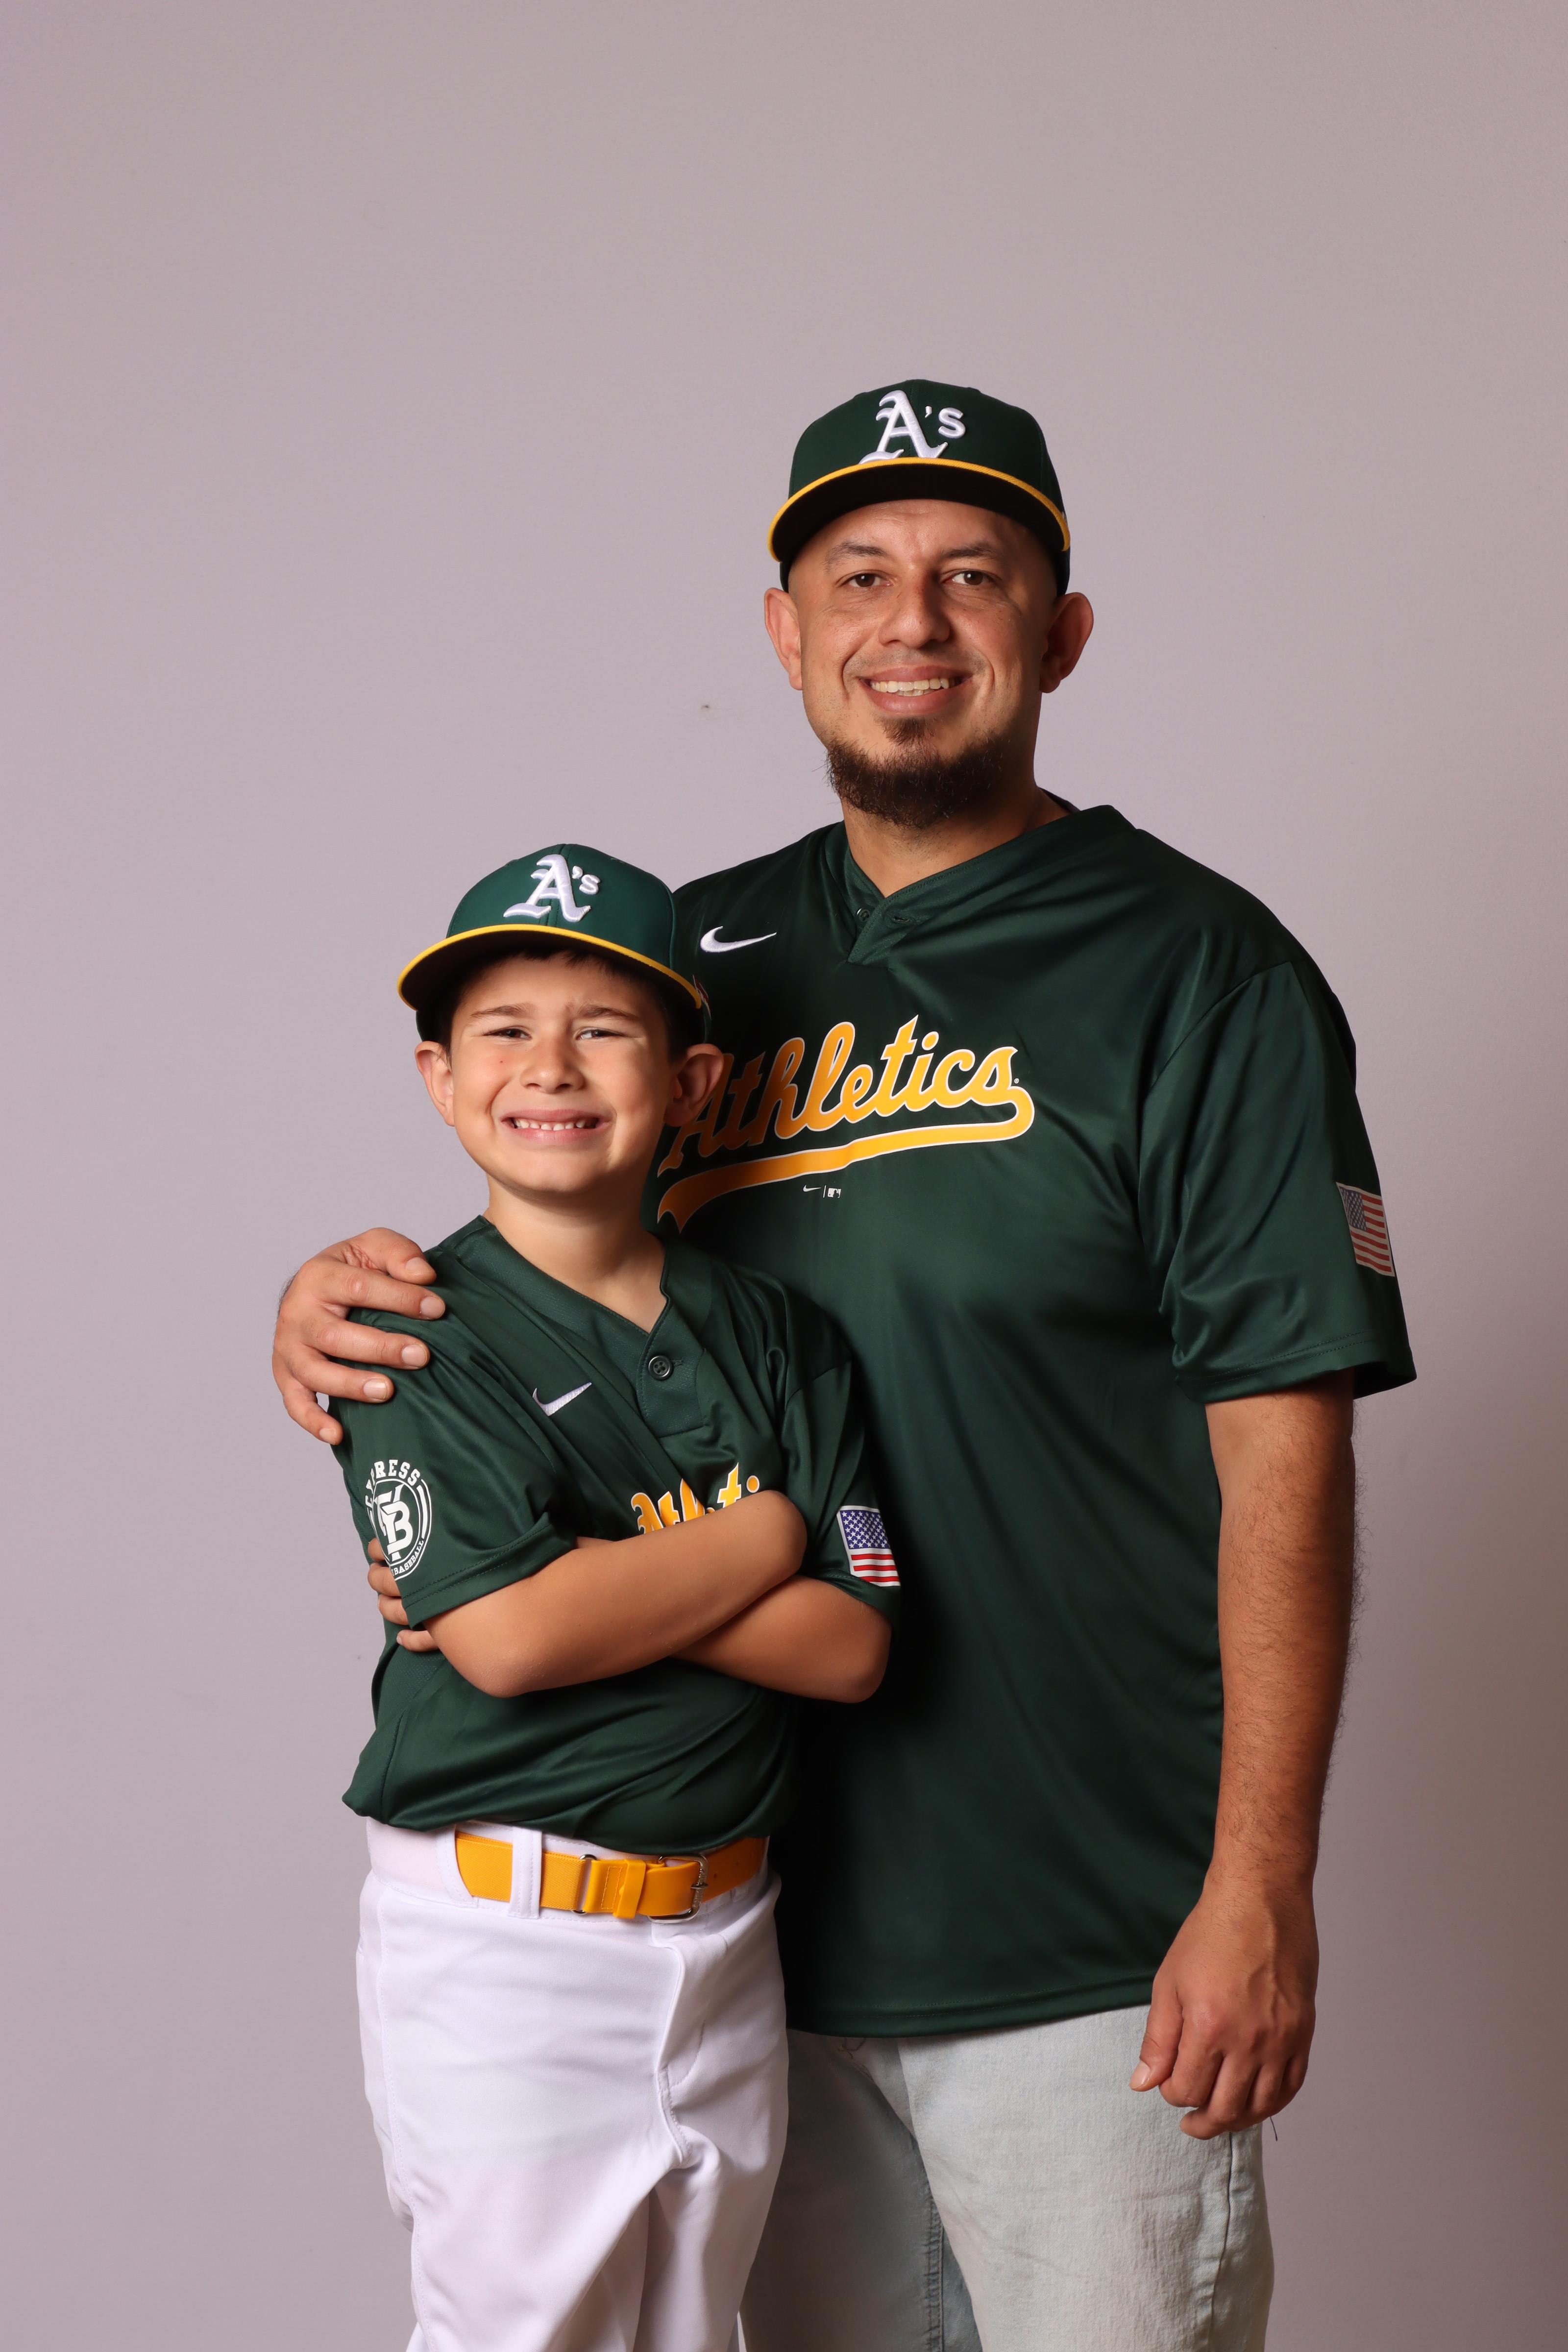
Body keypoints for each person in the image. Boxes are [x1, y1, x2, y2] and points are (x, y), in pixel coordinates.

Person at [275, 381, 1415, 2352]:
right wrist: (335, 1297)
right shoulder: (688, 972)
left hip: (1090, 1941)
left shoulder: (1197, 970)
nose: (914, 622)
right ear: (784, 630)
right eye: (860, 576)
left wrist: (1257, 1885)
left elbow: (1283, 1452)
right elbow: (543, 1263)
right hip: (734, 1939)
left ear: (1062, 631)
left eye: (976, 576)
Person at [324, 843, 898, 2352]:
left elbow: (851, 1647)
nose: (551, 1068)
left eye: (604, 1030)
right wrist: (764, 1529)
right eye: (504, 1030)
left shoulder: (777, 1332)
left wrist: (593, 1570)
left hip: (732, 1932)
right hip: (508, 1936)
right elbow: (514, 1640)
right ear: (441, 1078)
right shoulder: (407, 1327)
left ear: (691, 1080)